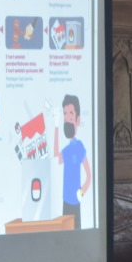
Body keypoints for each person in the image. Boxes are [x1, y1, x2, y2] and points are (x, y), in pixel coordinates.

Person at [54, 94, 91, 228]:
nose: (67, 117)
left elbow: (89, 175)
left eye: (70, 113)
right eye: (65, 113)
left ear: (78, 119)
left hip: (75, 202)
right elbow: (56, 158)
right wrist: (56, 127)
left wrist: (81, 193)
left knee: (76, 232)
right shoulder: (67, 149)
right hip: (65, 201)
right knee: (65, 234)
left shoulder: (79, 146)